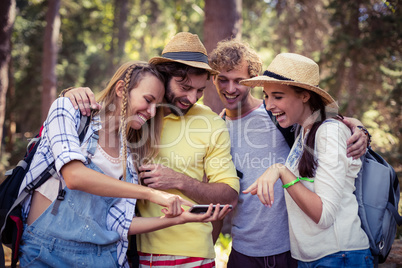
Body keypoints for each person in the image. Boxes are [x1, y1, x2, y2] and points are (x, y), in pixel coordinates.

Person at [18, 61, 231, 268]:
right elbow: (74, 176)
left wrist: (178, 220)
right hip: (45, 254)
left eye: (157, 105)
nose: (152, 112)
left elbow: (116, 225)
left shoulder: (130, 152)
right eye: (148, 100)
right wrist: (151, 194)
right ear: (121, 88)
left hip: (103, 257)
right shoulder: (69, 111)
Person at [64, 32, 240, 267]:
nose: (192, 98)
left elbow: (229, 196)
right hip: (123, 249)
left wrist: (180, 181)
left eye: (199, 91)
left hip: (189, 254)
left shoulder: (211, 124)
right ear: (162, 77)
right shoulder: (135, 114)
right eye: (184, 86)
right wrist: (70, 94)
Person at [208, 39, 369, 268]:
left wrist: (359, 128)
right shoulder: (217, 127)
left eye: (238, 81)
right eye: (223, 79)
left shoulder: (281, 118)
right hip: (250, 252)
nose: (230, 88)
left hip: (300, 251)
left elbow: (328, 123)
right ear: (213, 79)